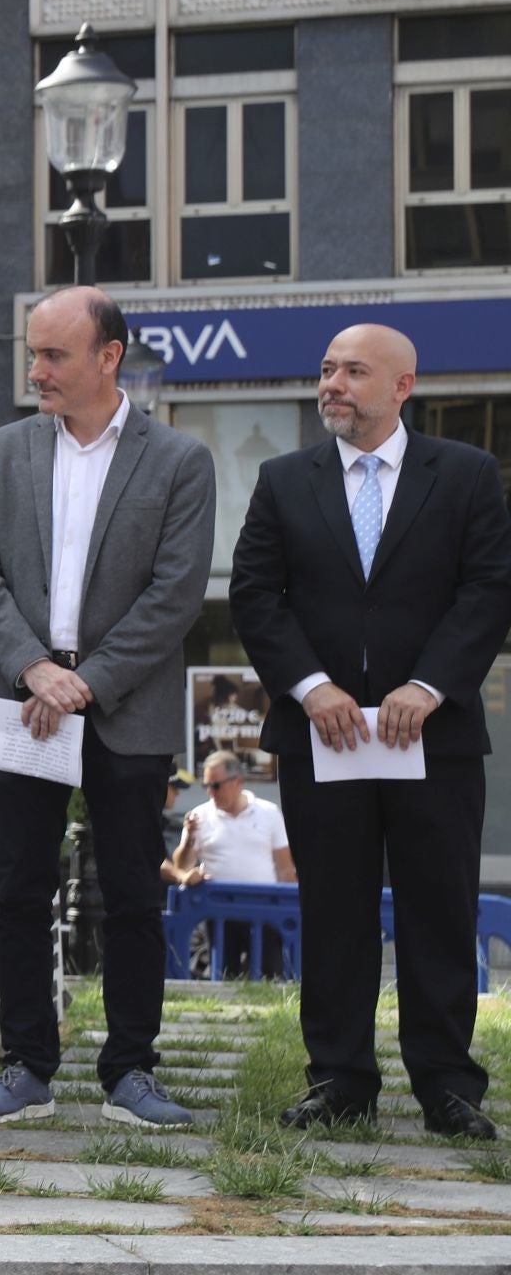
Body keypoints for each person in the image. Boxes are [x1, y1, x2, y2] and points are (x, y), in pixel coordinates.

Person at [231, 323, 511, 1140]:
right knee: (335, 911)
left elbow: (489, 590)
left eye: (354, 371)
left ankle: (448, 1086)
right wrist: (312, 688)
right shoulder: (285, 481)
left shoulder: (463, 476)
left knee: (440, 909)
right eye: (326, 371)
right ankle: (340, 1079)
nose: (333, 385)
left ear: (402, 386)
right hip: (327, 739)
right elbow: (256, 594)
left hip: (436, 738)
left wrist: (428, 686)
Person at [0, 286, 215, 1127]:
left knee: (136, 892)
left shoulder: (179, 461)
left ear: (109, 357)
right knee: (20, 890)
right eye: (33, 353)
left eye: (54, 356)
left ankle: (131, 1071)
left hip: (123, 707)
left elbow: (176, 597)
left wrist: (88, 679)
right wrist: (33, 667)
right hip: (23, 701)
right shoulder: (3, 450)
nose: (36, 371)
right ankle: (27, 1065)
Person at [159, 750, 295, 978]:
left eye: (216, 786)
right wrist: (191, 837)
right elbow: (182, 866)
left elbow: (284, 867)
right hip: (218, 908)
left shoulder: (268, 813)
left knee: (269, 973)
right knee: (223, 972)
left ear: (237, 782)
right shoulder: (199, 815)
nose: (211, 792)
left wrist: (289, 907)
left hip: (265, 909)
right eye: (206, 786)